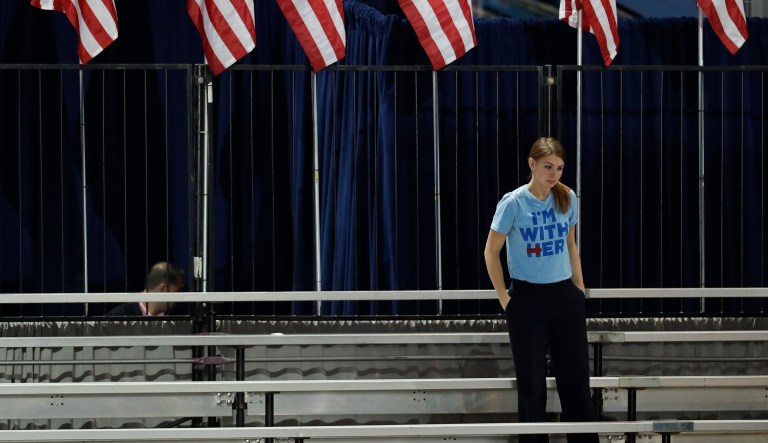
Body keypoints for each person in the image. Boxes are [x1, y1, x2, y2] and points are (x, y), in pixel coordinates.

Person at [484, 137, 598, 443]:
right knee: (532, 387)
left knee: (576, 383)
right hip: (527, 299)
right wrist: (506, 300)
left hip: (564, 297)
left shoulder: (567, 197)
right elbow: (490, 252)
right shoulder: (513, 203)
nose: (554, 174)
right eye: (548, 166)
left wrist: (579, 287)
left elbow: (571, 244)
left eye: (559, 168)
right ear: (532, 164)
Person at [106, 261, 185, 316]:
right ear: (162, 288)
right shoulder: (119, 317)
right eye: (176, 291)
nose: (179, 297)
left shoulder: (179, 318)